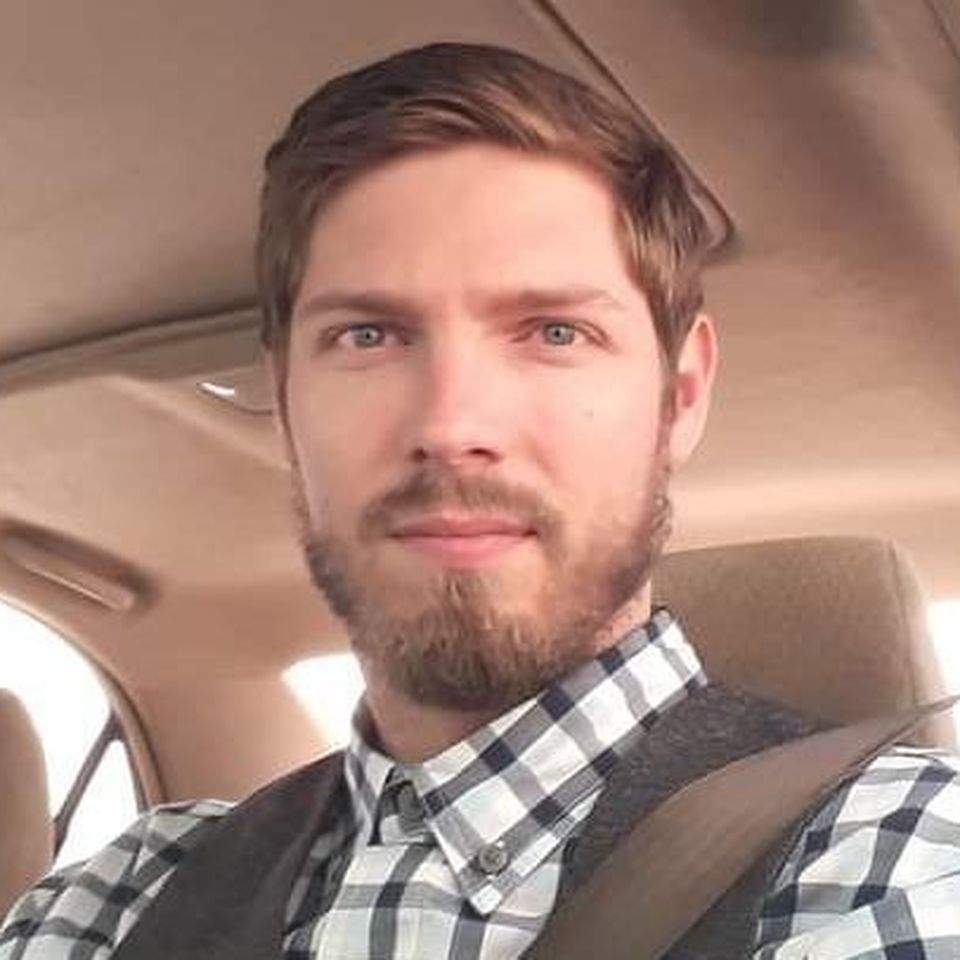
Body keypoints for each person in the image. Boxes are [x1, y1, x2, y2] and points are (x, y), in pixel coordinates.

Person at [3, 41, 960, 960]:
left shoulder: (896, 862)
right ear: (286, 399)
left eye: (554, 331)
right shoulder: (116, 900)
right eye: (368, 335)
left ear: (680, 393)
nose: (452, 423)